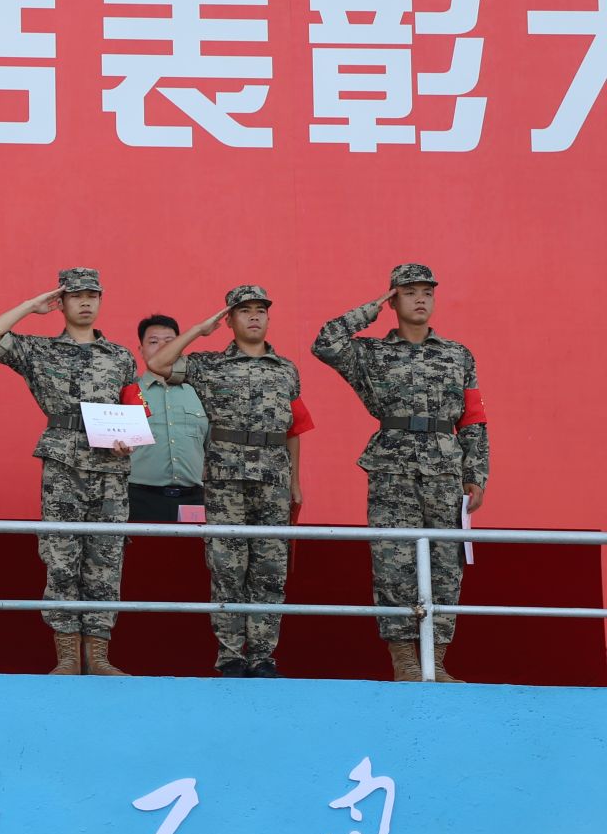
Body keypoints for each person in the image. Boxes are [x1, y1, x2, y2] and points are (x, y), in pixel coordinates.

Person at [313, 263, 488, 682]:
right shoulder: (370, 354)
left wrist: (476, 472)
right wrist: (370, 309)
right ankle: (405, 660)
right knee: (393, 562)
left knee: (446, 565)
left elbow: (473, 417)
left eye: (427, 291)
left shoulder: (457, 354)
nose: (421, 298)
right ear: (393, 299)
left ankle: (436, 660)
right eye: (409, 292)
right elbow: (325, 342)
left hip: (445, 469)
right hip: (392, 468)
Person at [0, 268, 143, 676]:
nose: (86, 302)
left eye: (93, 295)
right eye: (76, 295)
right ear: (61, 302)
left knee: (106, 560)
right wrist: (31, 306)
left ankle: (99, 657)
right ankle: (67, 657)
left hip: (110, 468)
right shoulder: (40, 350)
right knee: (62, 557)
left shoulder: (121, 356)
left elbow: (134, 410)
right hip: (63, 464)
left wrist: (130, 439)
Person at [146, 286, 315, 677]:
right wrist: (198, 330)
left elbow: (293, 428)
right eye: (244, 310)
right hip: (226, 481)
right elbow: (158, 363)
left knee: (270, 569)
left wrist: (295, 481)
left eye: (260, 310)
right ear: (230, 319)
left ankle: (263, 656)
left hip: (273, 479)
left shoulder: (286, 369)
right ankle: (231, 657)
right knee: (227, 567)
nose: (254, 316)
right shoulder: (209, 364)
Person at [129, 316, 209, 523]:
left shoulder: (201, 391)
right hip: (139, 497)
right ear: (141, 350)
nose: (162, 347)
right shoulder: (128, 391)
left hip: (194, 498)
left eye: (169, 342)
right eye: (154, 342)